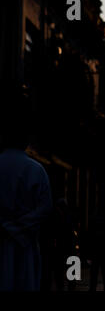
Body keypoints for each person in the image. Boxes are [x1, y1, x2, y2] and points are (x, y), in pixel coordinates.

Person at [0, 93, 53, 291]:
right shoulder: (36, 170)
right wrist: (19, 226)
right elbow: (45, 209)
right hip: (25, 245)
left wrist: (6, 226)